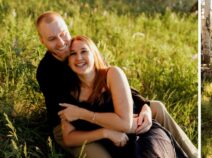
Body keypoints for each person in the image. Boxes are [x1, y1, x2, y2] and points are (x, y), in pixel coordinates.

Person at [35, 11, 197, 157]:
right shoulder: (47, 73)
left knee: (157, 108)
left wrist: (144, 106)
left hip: (105, 112)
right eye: (52, 39)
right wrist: (113, 129)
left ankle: (193, 154)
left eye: (64, 34)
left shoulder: (80, 47)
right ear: (42, 41)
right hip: (74, 129)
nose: (61, 42)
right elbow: (74, 117)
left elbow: (114, 81)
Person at [57, 35, 187, 158]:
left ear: (94, 54)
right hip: (117, 146)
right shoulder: (69, 93)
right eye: (73, 53)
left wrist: (81, 114)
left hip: (142, 134)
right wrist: (105, 133)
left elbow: (125, 124)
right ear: (68, 61)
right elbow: (69, 138)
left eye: (84, 51)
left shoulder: (111, 74)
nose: (79, 57)